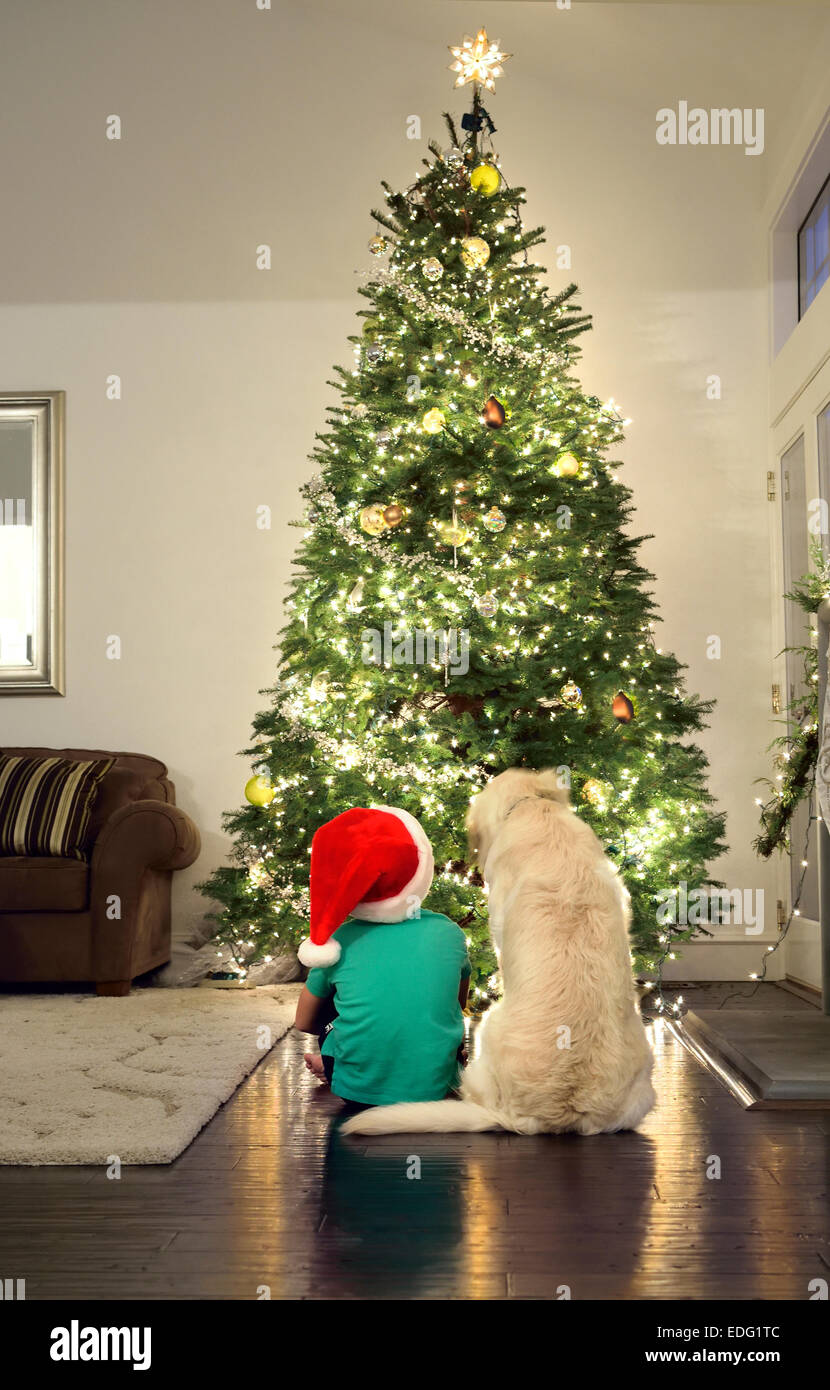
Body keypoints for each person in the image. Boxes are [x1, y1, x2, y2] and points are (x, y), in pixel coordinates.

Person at [293, 805, 471, 1108]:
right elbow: (457, 1004)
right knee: (433, 1018)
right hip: (438, 1087)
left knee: (334, 1011)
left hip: (358, 1093)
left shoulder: (340, 941)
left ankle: (335, 1062)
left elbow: (303, 1022)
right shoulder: (450, 931)